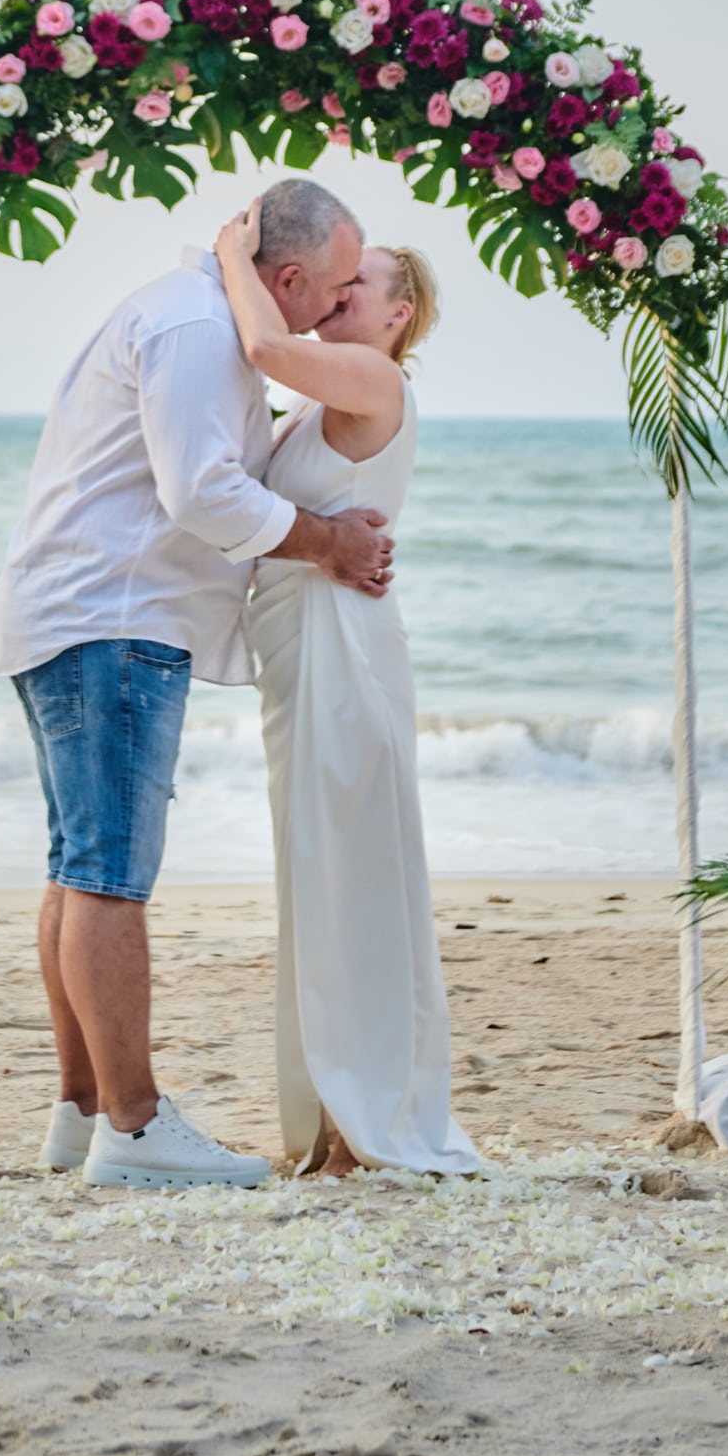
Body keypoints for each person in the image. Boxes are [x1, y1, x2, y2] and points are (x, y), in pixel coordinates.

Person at [0, 178, 394, 1190]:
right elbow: (202, 490)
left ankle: (83, 1112)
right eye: (335, 285)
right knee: (108, 875)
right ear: (287, 278)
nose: (337, 305)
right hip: (114, 620)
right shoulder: (199, 331)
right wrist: (327, 541)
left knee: (78, 868)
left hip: (81, 613)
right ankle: (134, 1125)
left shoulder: (189, 314)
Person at [216, 196, 481, 1179]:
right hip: (301, 650)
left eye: (355, 282)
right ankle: (336, 1121)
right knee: (317, 876)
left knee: (349, 876)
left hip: (343, 650)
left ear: (397, 312)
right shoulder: (318, 403)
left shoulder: (373, 375)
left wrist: (231, 254)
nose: (334, 293)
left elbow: (262, 344)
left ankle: (364, 1123)